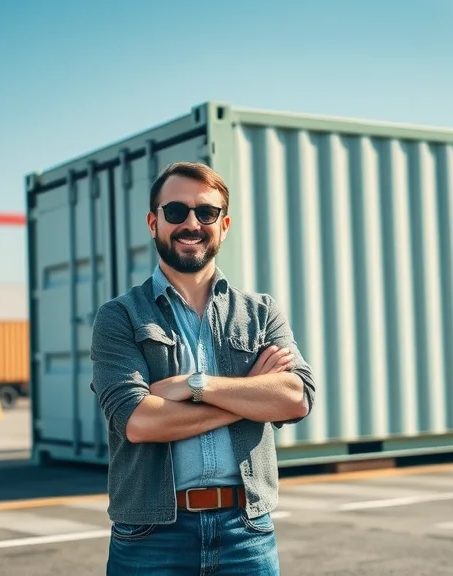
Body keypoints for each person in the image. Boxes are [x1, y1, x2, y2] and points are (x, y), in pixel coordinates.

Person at [90, 161, 316, 575]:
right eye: (175, 211)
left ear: (224, 224)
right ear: (153, 221)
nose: (191, 223)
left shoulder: (261, 312)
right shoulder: (119, 316)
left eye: (206, 213)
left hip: (246, 532)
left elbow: (296, 398)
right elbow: (139, 422)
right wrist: (249, 395)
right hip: (150, 536)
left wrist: (194, 385)